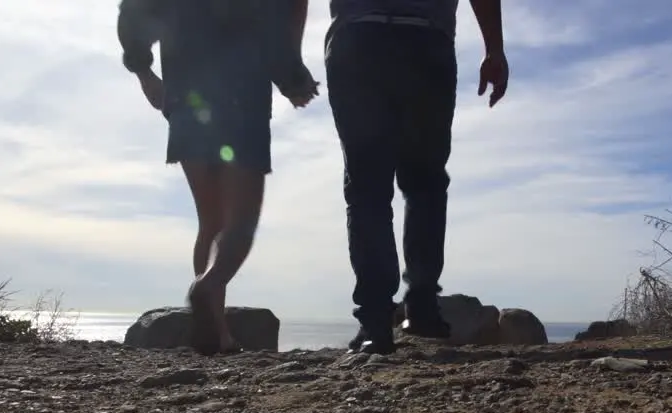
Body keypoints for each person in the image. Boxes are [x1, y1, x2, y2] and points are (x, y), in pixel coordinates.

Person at [117, 0, 318, 355]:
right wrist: (294, 80)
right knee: (239, 223)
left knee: (210, 222)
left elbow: (133, 13)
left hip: (186, 101)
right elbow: (275, 27)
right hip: (242, 101)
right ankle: (209, 285)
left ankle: (216, 331)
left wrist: (145, 74)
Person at [325, 0, 508, 354]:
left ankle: (377, 320)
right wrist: (494, 49)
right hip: (423, 41)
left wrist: (287, 58)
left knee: (368, 187)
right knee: (424, 182)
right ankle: (421, 305)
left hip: (359, 39)